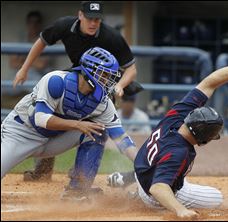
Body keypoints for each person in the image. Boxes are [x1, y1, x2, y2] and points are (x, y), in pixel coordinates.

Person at [107, 53, 228, 219]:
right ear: (203, 140)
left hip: (143, 169)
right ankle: (139, 196)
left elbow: (210, 82)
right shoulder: (179, 152)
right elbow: (158, 188)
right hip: (153, 195)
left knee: (169, 170)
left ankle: (131, 180)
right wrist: (180, 210)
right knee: (216, 197)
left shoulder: (177, 116)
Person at [13, 1, 140, 182]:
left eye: (97, 19)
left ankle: (80, 176)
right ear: (80, 15)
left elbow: (131, 69)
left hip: (105, 82)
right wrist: (24, 69)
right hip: (78, 74)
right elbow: (42, 41)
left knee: (99, 127)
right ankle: (43, 170)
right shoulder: (65, 25)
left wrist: (119, 86)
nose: (93, 23)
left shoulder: (111, 36)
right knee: (55, 110)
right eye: (89, 18)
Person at [1, 47, 139, 201]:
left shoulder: (103, 103)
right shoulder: (56, 81)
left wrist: (142, 163)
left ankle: (77, 191)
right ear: (90, 70)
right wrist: (78, 125)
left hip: (52, 140)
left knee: (97, 131)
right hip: (21, 133)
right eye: (104, 74)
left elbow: (121, 138)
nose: (108, 81)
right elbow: (41, 119)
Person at [7, 11, 52, 94]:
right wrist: (33, 61)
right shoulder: (22, 40)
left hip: (38, 77)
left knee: (40, 89)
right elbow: (13, 63)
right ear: (27, 23)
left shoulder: (45, 40)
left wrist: (22, 59)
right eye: (31, 22)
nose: (33, 25)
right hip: (20, 75)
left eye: (36, 22)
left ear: (40, 24)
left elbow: (41, 65)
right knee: (6, 87)